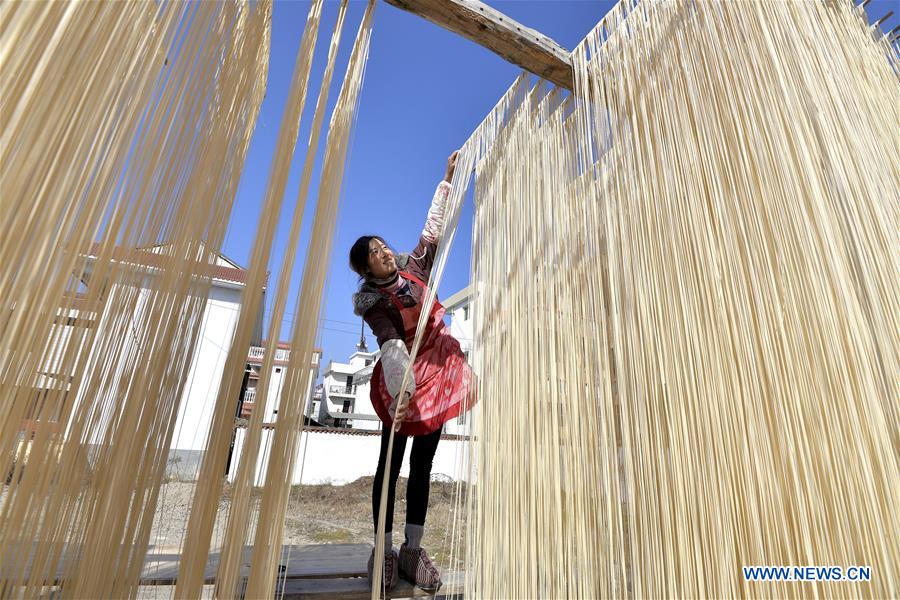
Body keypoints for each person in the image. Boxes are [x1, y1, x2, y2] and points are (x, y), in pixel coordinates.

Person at [349, 150, 472, 593]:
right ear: (366, 269)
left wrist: (446, 180)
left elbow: (431, 233)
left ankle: (413, 551)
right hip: (402, 378)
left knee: (423, 464)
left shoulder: (413, 269)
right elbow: (390, 342)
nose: (383, 253)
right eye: (373, 254)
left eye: (382, 247)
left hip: (436, 376)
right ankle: (382, 552)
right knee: (390, 464)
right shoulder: (373, 302)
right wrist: (402, 392)